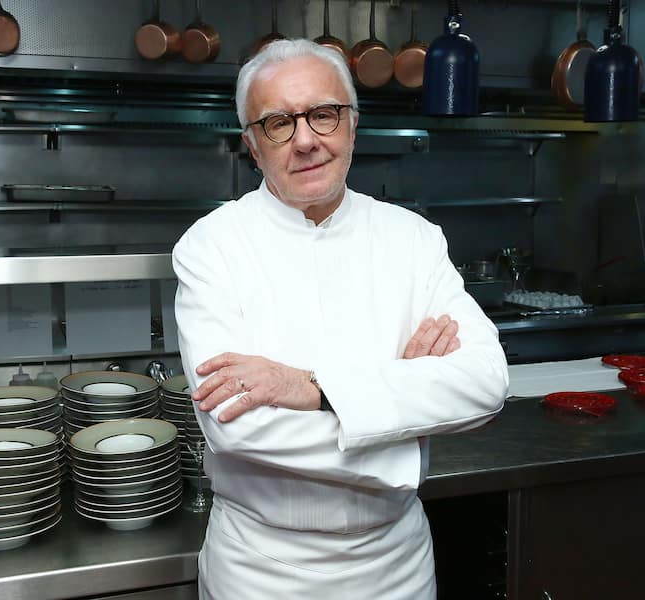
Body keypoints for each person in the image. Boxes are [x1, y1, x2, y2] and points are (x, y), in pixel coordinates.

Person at [173, 38, 508, 599]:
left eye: (324, 115)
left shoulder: (414, 240)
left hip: (396, 566)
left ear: (352, 125)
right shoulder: (211, 248)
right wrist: (409, 406)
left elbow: (486, 383)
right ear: (252, 146)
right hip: (263, 570)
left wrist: (309, 388)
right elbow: (236, 425)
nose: (306, 140)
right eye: (278, 123)